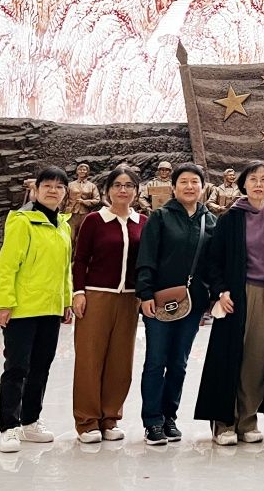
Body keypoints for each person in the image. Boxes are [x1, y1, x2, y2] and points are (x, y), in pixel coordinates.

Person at [195, 161, 264, 444]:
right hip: (235, 295)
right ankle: (224, 422)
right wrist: (221, 291)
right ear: (243, 184)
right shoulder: (230, 218)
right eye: (253, 179)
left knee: (257, 360)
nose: (259, 184)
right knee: (229, 356)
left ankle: (247, 420)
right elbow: (214, 260)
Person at [135, 163, 216, 446]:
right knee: (156, 361)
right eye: (184, 182)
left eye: (195, 182)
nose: (189, 187)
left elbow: (213, 266)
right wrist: (145, 293)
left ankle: (169, 416)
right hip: (158, 301)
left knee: (179, 363)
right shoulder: (160, 217)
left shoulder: (210, 221)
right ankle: (152, 421)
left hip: (192, 304)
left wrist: (213, 296)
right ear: (174, 186)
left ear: (203, 187)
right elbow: (147, 257)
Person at [0, 166, 74, 453]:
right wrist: (4, 303)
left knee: (41, 367)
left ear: (65, 193)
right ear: (36, 190)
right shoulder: (22, 221)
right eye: (48, 185)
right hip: (23, 309)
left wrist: (66, 301)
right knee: (17, 368)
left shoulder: (63, 225)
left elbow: (65, 269)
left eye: (59, 186)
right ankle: (9, 427)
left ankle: (30, 421)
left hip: (50, 309)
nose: (53, 190)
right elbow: (6, 265)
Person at [71, 164, 147, 443]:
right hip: (96, 296)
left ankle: (110, 417)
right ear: (107, 190)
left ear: (136, 191)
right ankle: (87, 421)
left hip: (129, 299)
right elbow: (80, 259)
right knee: (90, 359)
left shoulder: (143, 222)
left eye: (128, 185)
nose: (123, 190)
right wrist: (78, 292)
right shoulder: (94, 220)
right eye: (117, 185)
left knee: (120, 361)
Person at [66, 163, 101, 241]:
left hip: (85, 214)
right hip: (71, 214)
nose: (82, 171)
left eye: (84, 170)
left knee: (83, 237)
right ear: (77, 171)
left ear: (87, 172)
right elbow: (64, 199)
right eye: (80, 169)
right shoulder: (70, 185)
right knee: (70, 237)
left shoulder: (92, 186)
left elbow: (97, 200)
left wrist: (84, 202)